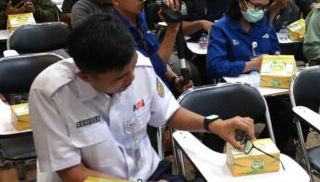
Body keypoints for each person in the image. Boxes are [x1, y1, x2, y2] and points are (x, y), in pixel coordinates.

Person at [29, 13, 254, 182]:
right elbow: (71, 172)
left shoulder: (139, 65)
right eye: (120, 77)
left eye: (133, 68)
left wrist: (214, 125)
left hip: (148, 173)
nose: (132, 79)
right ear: (85, 76)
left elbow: (169, 112)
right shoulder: (51, 93)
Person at [205, 0, 297, 154]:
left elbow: (275, 50)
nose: (261, 11)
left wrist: (276, 62)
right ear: (241, 2)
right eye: (257, 6)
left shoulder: (264, 25)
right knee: (215, 125)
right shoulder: (221, 28)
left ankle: (261, 151)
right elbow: (214, 66)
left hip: (265, 92)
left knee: (288, 113)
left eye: (265, 7)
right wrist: (251, 65)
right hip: (233, 95)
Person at [106, 0, 191, 95]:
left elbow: (155, 53)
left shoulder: (140, 16)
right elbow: (152, 69)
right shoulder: (112, 32)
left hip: (159, 87)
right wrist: (172, 29)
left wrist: (174, 79)